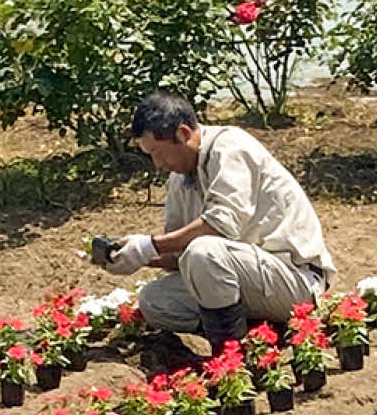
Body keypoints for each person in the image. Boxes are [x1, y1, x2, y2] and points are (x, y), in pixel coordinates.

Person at [100, 93, 335, 350]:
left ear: (183, 134)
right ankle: (254, 331)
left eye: (157, 152)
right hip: (245, 279)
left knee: (204, 251)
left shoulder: (229, 148)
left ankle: (230, 357)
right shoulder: (180, 177)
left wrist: (150, 246)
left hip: (293, 279)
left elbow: (219, 228)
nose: (157, 164)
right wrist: (135, 257)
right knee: (155, 301)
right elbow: (181, 256)